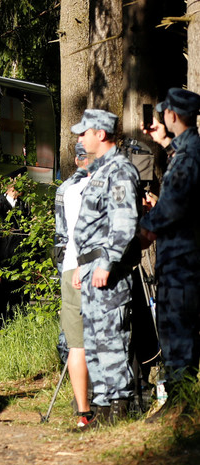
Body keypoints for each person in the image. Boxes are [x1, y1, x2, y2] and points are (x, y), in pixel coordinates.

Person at [71, 109, 140, 427]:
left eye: (84, 132)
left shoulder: (120, 169)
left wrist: (107, 261)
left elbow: (124, 221)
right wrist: (81, 265)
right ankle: (99, 410)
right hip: (90, 269)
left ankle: (118, 410)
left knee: (111, 339)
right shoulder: (100, 170)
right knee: (95, 340)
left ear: (101, 134)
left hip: (107, 272)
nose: (80, 138)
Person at [139, 88, 200, 420]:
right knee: (175, 330)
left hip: (182, 262)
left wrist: (142, 229)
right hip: (181, 259)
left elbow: (172, 209)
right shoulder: (186, 150)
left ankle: (181, 406)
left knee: (178, 333)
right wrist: (163, 141)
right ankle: (179, 400)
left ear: (172, 115)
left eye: (164, 114)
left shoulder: (189, 157)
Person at [54, 142, 93, 428]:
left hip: (70, 268)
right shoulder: (103, 184)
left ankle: (83, 410)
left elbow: (61, 237)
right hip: (94, 266)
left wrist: (64, 273)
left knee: (75, 343)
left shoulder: (66, 189)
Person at [0, 170, 30, 341]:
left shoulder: (25, 207)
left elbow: (31, 240)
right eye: (21, 181)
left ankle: (16, 345)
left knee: (19, 309)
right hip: (1, 267)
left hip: (21, 269)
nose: (25, 185)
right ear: (11, 184)